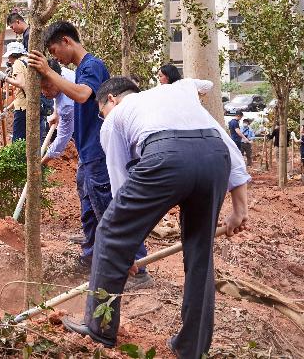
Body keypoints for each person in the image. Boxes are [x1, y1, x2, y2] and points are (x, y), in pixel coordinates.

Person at [61, 77, 249, 358]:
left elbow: (119, 186)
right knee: (200, 252)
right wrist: (239, 209)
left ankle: (99, 328)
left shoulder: (115, 118)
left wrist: (122, 249)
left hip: (167, 155)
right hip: (214, 157)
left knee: (109, 231)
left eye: (102, 113)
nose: (104, 120)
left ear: (111, 100)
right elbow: (228, 147)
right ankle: (192, 348)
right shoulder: (178, 97)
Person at [28, 21, 148, 282]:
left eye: (54, 49)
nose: (55, 56)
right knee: (90, 209)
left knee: (109, 209)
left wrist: (49, 71)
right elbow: (79, 103)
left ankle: (137, 268)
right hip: (87, 153)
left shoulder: (92, 66)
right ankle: (91, 258)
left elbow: (83, 95)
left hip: (99, 150)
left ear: (67, 42)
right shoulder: (81, 69)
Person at [41, 59, 75, 164]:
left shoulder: (66, 106)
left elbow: (62, 139)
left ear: (58, 78)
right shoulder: (60, 72)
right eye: (41, 88)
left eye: (47, 87)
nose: (44, 92)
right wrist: (55, 113)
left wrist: (42, 162)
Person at [0, 41, 28, 141]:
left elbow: (21, 83)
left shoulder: (18, 63)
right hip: (27, 105)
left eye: (9, 56)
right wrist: (7, 108)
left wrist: (4, 78)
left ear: (13, 54)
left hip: (23, 109)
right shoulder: (26, 62)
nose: (8, 59)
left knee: (18, 139)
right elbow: (21, 94)